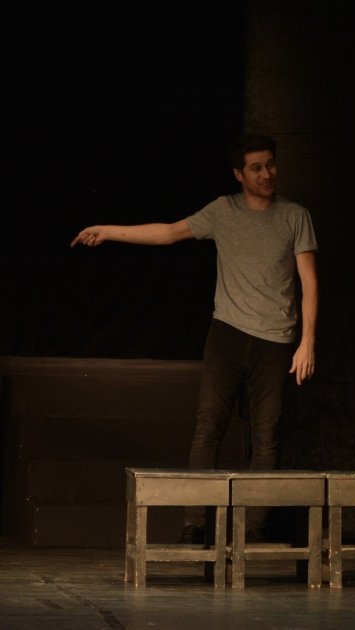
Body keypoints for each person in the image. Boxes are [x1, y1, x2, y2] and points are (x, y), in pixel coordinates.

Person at [71, 133, 319, 544]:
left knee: (266, 434)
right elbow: (169, 233)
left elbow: (309, 282)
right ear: (239, 174)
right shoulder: (223, 210)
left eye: (271, 165)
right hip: (228, 335)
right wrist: (108, 231)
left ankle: (255, 528)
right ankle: (195, 522)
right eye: (256, 168)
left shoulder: (295, 216)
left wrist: (307, 341)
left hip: (276, 341)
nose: (266, 174)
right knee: (209, 425)